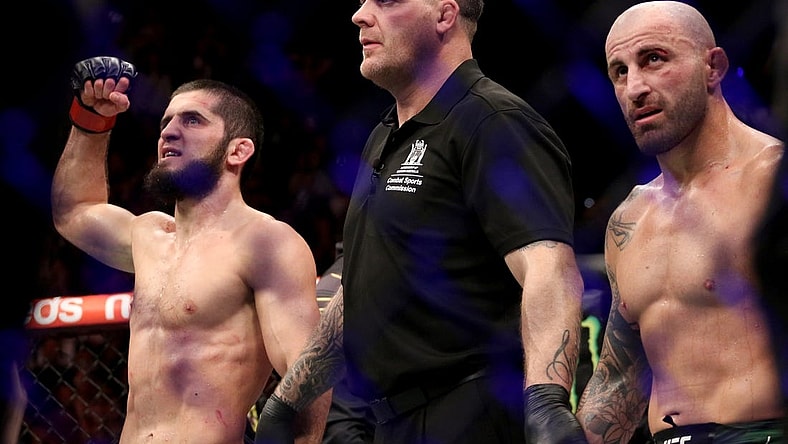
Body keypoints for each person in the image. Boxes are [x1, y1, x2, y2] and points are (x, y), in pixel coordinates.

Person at [255, 0, 588, 443]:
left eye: (386, 1)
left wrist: (546, 400)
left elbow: (548, 267)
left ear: (445, 15)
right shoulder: (382, 137)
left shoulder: (492, 120)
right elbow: (356, 292)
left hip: (474, 410)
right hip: (393, 420)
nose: (359, 15)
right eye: (359, 2)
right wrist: (289, 399)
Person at [51, 56, 331, 444]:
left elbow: (308, 376)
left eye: (192, 120)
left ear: (238, 151)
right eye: (166, 121)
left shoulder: (266, 242)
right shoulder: (149, 234)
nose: (169, 132)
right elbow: (74, 212)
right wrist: (92, 119)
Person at [575, 2, 786, 443]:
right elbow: (619, 379)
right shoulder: (629, 219)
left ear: (714, 67)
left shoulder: (775, 183)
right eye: (619, 71)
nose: (635, 87)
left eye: (654, 59)